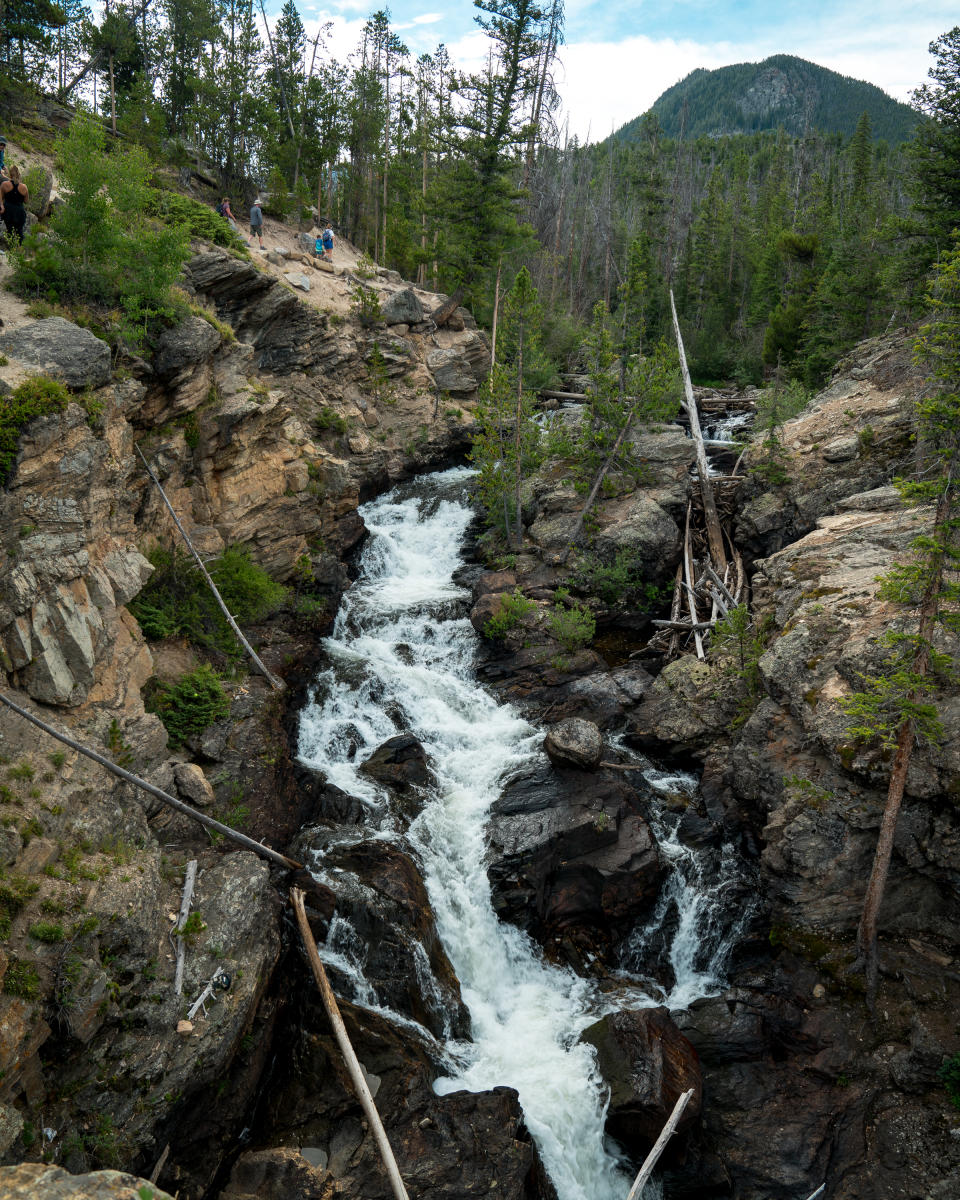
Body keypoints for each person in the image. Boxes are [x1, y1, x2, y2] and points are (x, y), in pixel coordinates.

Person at [0, 165, 29, 244]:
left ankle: (10, 248)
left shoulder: (4, 184)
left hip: (8, 211)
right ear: (19, 175)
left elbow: (0, 198)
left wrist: (2, 206)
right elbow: (26, 201)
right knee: (19, 232)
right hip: (19, 212)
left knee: (9, 230)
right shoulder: (24, 187)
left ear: (10, 174)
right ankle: (20, 249)